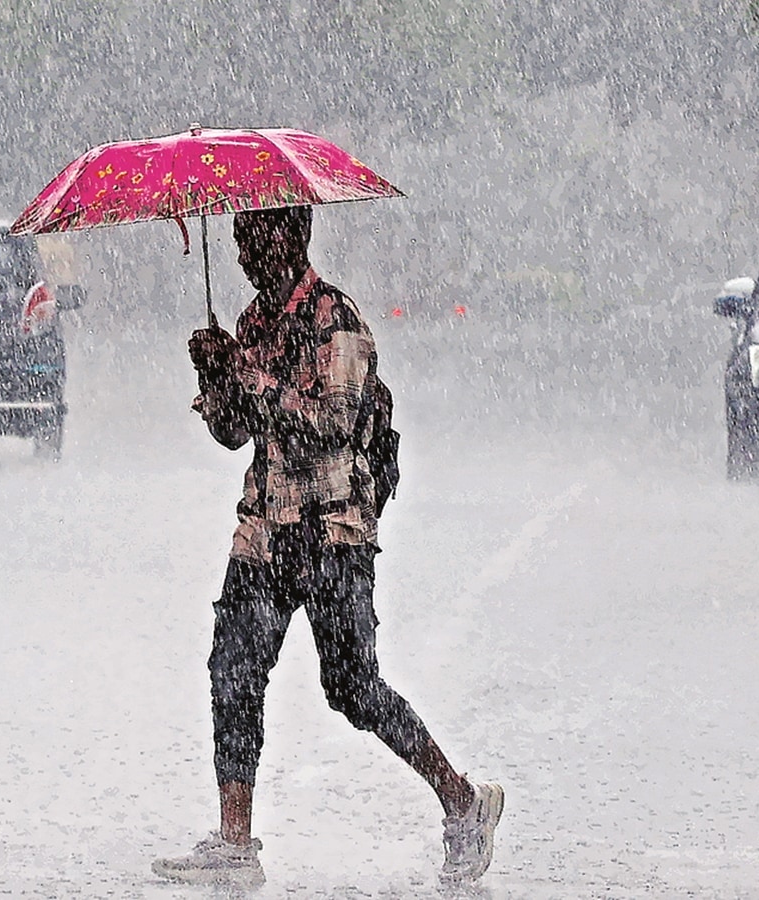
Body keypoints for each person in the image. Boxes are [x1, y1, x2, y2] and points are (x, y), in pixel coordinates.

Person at [151, 206, 503, 887]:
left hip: (332, 529)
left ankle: (462, 801)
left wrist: (250, 378)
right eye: (240, 240)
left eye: (261, 238)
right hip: (265, 525)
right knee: (234, 669)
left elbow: (331, 427)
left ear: (295, 237)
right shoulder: (254, 324)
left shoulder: (335, 322)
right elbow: (235, 434)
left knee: (352, 688)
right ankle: (234, 837)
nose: (249, 254)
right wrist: (214, 375)